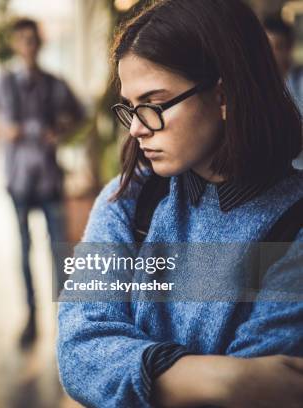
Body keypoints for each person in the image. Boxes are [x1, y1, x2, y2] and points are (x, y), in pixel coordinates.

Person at [57, 0, 303, 407]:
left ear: (224, 94)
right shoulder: (131, 199)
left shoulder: (292, 223)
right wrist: (227, 382)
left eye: (153, 104)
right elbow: (79, 350)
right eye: (130, 108)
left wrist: (131, 368)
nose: (136, 128)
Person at [0, 18, 84, 345]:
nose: (28, 46)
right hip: (18, 177)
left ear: (40, 43)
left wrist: (60, 132)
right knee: (23, 249)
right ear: (15, 44)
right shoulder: (2, 84)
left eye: (32, 40)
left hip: (48, 176)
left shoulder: (54, 83)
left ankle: (67, 320)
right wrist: (1, 130)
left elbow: (78, 113)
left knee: (59, 251)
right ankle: (30, 316)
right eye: (22, 40)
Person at [263, 16, 303, 169]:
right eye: (266, 47)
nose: (271, 54)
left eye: (278, 47)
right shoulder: (257, 87)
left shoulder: (299, 83)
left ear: (289, 48)